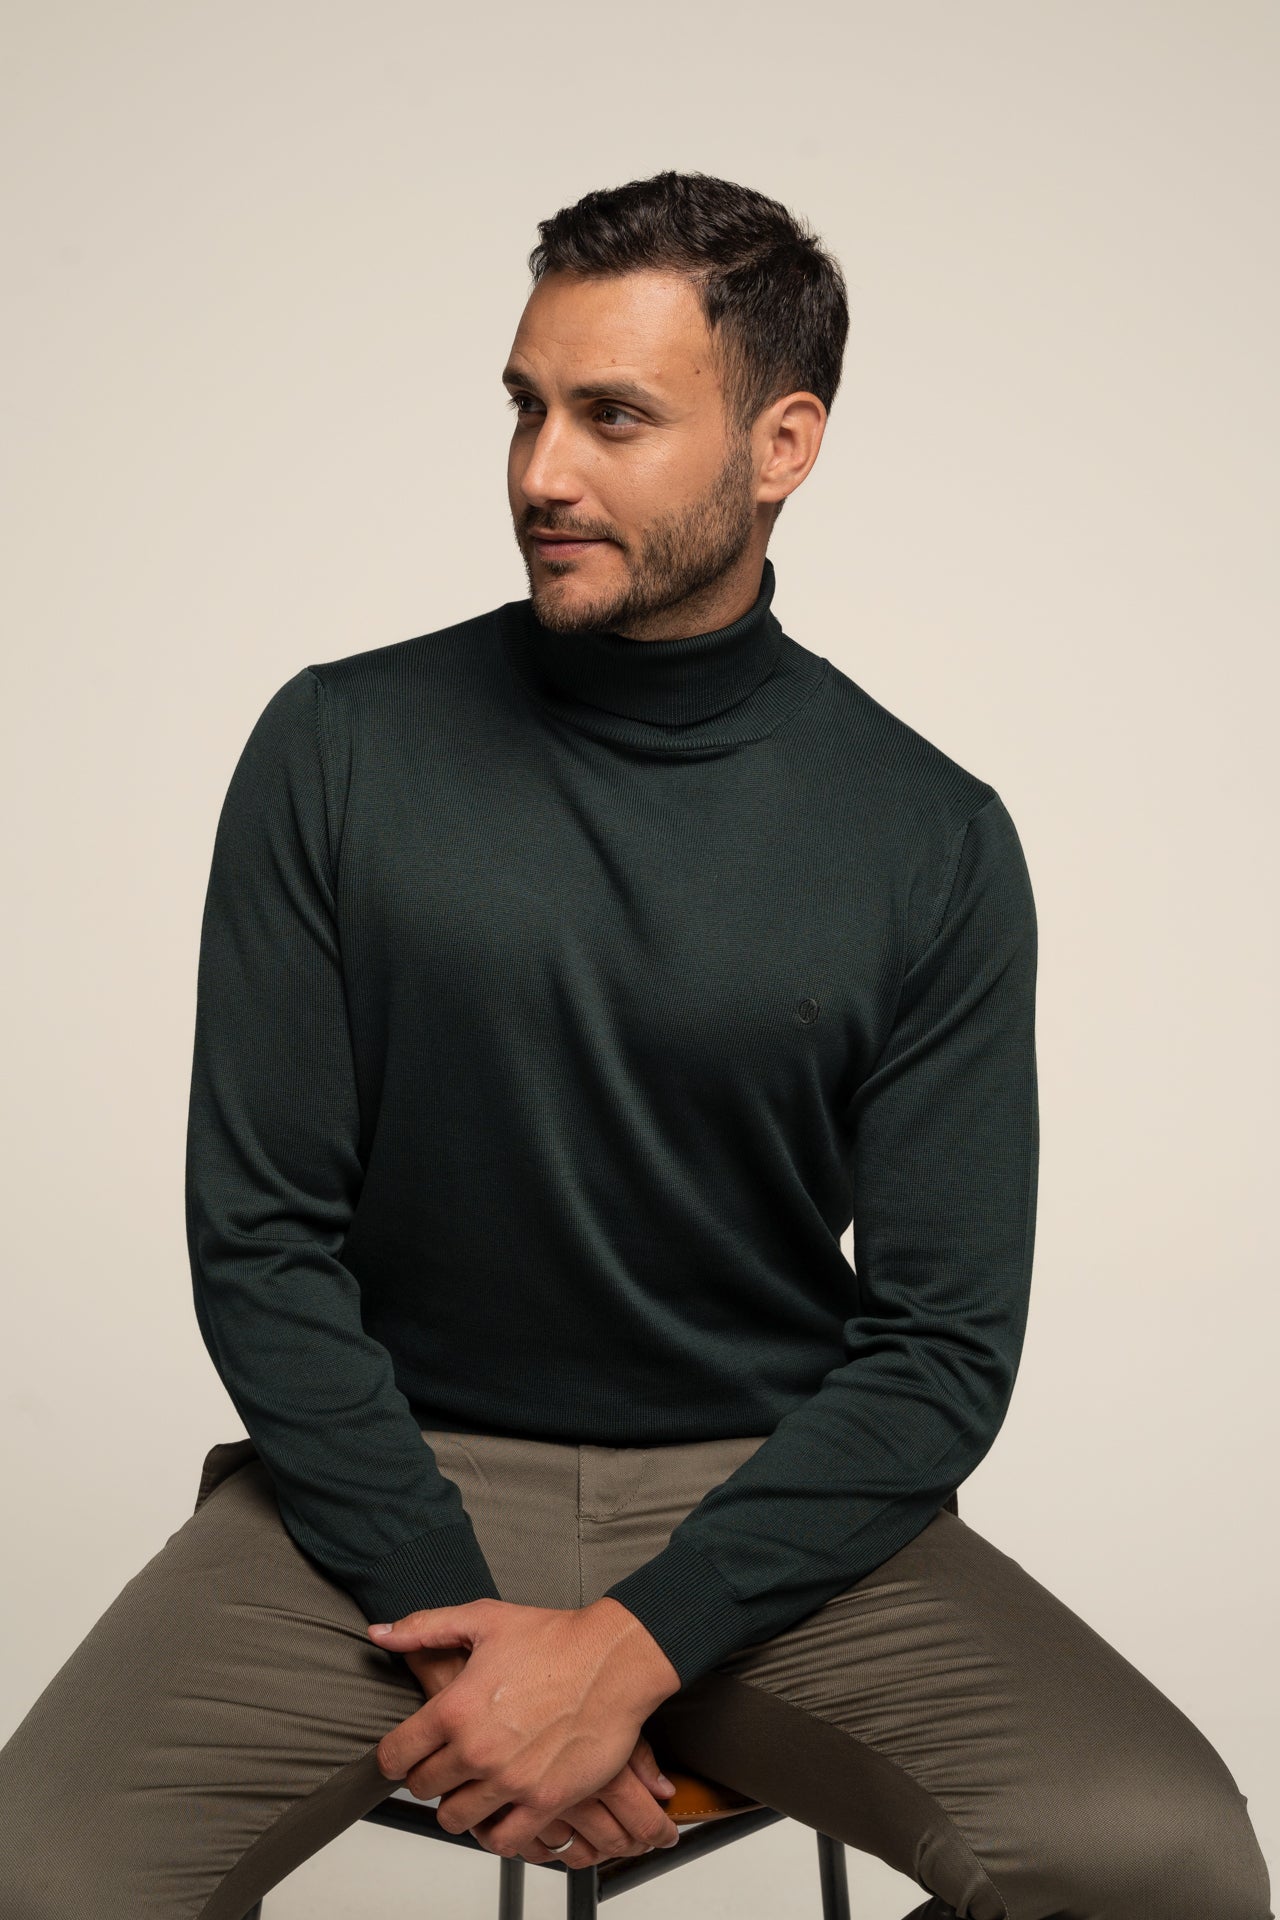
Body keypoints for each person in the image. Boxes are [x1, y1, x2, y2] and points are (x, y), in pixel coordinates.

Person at [0, 169, 1270, 1920]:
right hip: (377, 1480)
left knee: (1168, 1862)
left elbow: (940, 1349)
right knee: (41, 1874)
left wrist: (632, 1648)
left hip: (768, 1505)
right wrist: (475, 1643)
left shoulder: (930, 838)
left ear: (782, 444)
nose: (541, 471)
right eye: (524, 406)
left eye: (612, 417)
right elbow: (263, 1243)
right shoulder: (338, 748)